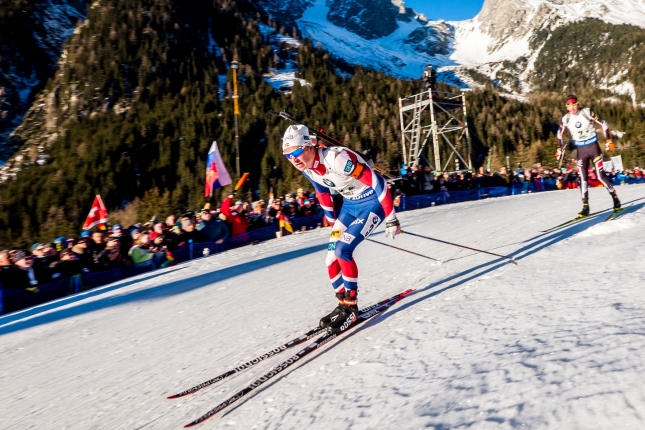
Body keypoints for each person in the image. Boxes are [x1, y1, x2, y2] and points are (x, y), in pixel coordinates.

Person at [282, 124, 401, 333]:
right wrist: (331, 219)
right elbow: (322, 193)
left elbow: (377, 181)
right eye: (288, 156)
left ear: (309, 146)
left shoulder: (336, 159)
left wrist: (391, 217)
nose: (294, 160)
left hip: (372, 203)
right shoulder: (308, 168)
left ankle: (352, 306)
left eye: (297, 152)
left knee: (342, 250)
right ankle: (343, 304)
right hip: (349, 206)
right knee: (329, 258)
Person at [556, 94, 620, 216]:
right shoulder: (566, 119)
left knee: (600, 176)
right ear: (567, 107)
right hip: (581, 151)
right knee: (583, 178)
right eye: (569, 106)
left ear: (578, 104)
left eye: (574, 105)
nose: (572, 108)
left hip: (593, 148)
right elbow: (560, 134)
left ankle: (615, 199)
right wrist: (559, 148)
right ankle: (585, 206)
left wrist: (608, 140)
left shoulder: (586, 112)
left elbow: (603, 123)